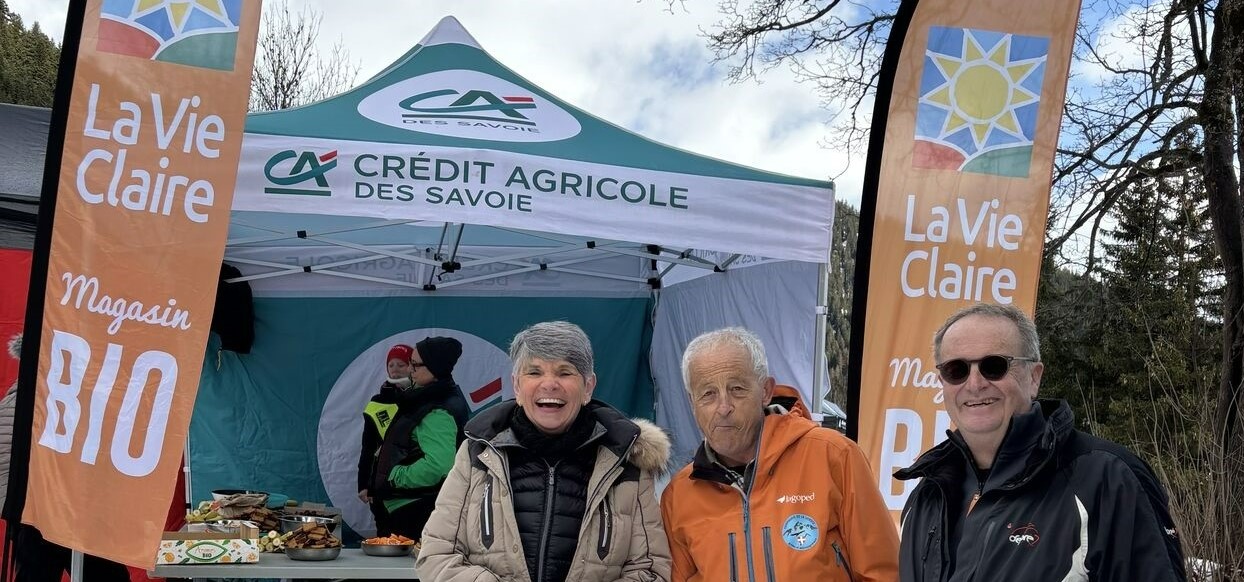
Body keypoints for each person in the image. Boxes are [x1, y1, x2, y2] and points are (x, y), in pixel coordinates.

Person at [896, 303, 1186, 581]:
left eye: (994, 366)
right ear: (943, 382)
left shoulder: (1107, 481)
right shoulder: (927, 496)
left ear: (1034, 378)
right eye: (956, 370)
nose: (974, 384)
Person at [417, 321, 672, 582]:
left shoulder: (626, 459)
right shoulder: (478, 452)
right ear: (517, 386)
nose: (549, 384)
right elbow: (437, 556)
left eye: (565, 372)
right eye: (534, 372)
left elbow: (650, 570)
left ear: (588, 387)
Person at [661, 327, 898, 582]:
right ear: (692, 402)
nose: (724, 407)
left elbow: (883, 572)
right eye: (708, 394)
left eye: (737, 389)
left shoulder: (834, 456)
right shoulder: (679, 495)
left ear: (765, 391)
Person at [2, 335, 130, 582]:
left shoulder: (85, 394)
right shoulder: (24, 396)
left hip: (82, 511)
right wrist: (20, 510)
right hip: (38, 514)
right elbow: (5, 454)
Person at [359, 337, 468, 541]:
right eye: (410, 363)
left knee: (408, 563)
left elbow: (438, 466)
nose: (410, 369)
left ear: (434, 368)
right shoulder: (425, 397)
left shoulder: (438, 410)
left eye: (415, 364)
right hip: (404, 505)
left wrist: (394, 475)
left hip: (415, 509)